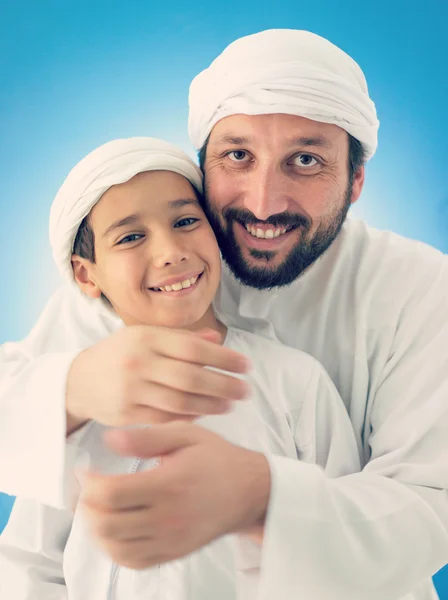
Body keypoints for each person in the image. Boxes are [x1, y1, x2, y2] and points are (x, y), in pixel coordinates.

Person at [1, 28, 447, 599]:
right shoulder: (128, 288)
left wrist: (263, 499)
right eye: (238, 156)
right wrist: (69, 389)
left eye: (305, 160)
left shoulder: (420, 291)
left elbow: (429, 507)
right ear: (203, 164)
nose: (263, 202)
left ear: (356, 180)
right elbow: (30, 554)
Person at [0, 137, 360, 600]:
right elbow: (30, 563)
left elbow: (349, 529)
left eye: (187, 221)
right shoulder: (73, 408)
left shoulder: (292, 380)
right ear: (87, 275)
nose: (170, 251)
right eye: (131, 237)